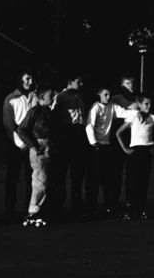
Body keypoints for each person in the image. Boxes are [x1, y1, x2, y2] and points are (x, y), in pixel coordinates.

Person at [17, 84, 58, 227]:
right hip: (38, 148)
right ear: (41, 97)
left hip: (48, 148)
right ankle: (33, 212)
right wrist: (34, 146)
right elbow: (22, 129)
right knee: (40, 180)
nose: (53, 98)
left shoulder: (49, 111)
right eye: (50, 96)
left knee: (46, 181)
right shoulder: (35, 111)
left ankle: (41, 210)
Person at [115, 94, 154, 220]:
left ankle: (141, 208)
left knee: (144, 180)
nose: (149, 106)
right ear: (139, 104)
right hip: (135, 151)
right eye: (146, 103)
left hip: (147, 151)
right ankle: (130, 209)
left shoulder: (153, 117)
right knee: (132, 180)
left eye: (150, 104)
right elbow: (118, 133)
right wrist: (125, 148)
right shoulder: (134, 116)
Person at [51, 73, 88, 220]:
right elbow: (54, 117)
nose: (81, 84)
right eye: (79, 81)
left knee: (77, 173)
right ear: (71, 81)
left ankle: (77, 206)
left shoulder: (79, 97)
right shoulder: (60, 97)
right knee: (61, 173)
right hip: (66, 134)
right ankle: (59, 207)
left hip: (79, 134)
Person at [1, 70, 36, 223]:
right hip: (16, 144)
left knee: (32, 178)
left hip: (32, 144)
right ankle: (9, 212)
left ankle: (30, 211)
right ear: (20, 80)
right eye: (27, 78)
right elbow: (9, 125)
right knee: (12, 178)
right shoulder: (11, 98)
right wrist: (21, 144)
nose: (30, 81)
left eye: (31, 78)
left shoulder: (35, 97)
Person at [85, 85, 120, 217]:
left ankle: (109, 206)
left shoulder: (112, 106)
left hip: (106, 146)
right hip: (96, 147)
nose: (108, 97)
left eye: (109, 94)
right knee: (94, 179)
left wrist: (136, 111)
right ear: (99, 94)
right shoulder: (95, 107)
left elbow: (123, 112)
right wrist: (93, 142)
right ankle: (91, 208)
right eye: (105, 94)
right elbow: (89, 125)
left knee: (107, 178)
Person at [109, 74, 138, 212]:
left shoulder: (138, 99)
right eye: (127, 83)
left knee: (132, 172)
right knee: (116, 172)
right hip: (120, 135)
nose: (131, 85)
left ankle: (130, 201)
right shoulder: (116, 99)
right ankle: (113, 202)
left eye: (132, 83)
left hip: (134, 136)